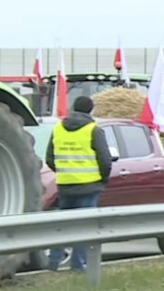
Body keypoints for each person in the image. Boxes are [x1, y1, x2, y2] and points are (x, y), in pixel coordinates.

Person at [45, 96, 112, 271]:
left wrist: (65, 171)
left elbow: (49, 158)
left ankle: (53, 262)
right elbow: (105, 160)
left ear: (74, 107)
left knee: (63, 226)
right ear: (91, 110)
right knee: (84, 228)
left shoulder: (58, 128)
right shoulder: (93, 130)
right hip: (89, 186)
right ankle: (78, 266)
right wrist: (102, 179)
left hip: (65, 185)